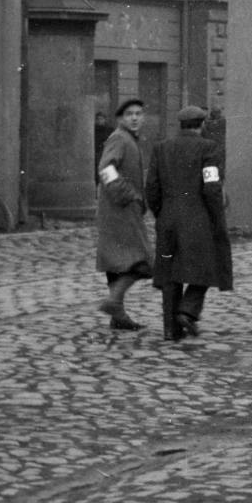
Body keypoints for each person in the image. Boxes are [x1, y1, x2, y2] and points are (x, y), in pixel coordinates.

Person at [145, 104, 233, 341]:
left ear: (181, 126)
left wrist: (160, 213)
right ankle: (188, 311)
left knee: (169, 273)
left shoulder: (161, 148)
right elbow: (212, 186)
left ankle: (170, 329)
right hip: (198, 219)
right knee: (206, 267)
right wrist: (216, 216)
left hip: (167, 220)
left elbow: (151, 188)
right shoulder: (208, 148)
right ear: (201, 125)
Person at [95, 98, 152, 332]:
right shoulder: (119, 138)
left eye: (139, 113)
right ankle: (114, 302)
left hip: (122, 209)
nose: (135, 118)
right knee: (143, 262)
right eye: (130, 114)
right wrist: (130, 194)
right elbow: (105, 169)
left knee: (118, 262)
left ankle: (117, 315)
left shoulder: (129, 139)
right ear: (121, 118)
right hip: (119, 209)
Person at [92, 110, 114, 178]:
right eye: (98, 119)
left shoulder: (110, 130)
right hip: (97, 154)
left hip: (107, 154)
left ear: (104, 119)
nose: (99, 121)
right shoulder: (93, 130)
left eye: (101, 119)